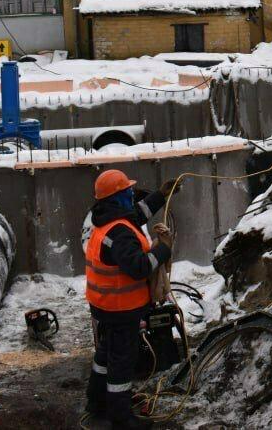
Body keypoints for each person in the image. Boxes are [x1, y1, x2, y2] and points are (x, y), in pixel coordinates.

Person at [84, 169, 180, 429]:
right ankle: (120, 416)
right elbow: (139, 267)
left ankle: (96, 401)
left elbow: (137, 214)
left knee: (106, 353)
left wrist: (161, 195)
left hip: (105, 305)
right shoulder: (120, 234)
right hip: (120, 309)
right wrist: (163, 249)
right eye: (127, 192)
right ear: (116, 198)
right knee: (121, 362)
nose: (131, 196)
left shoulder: (107, 219)